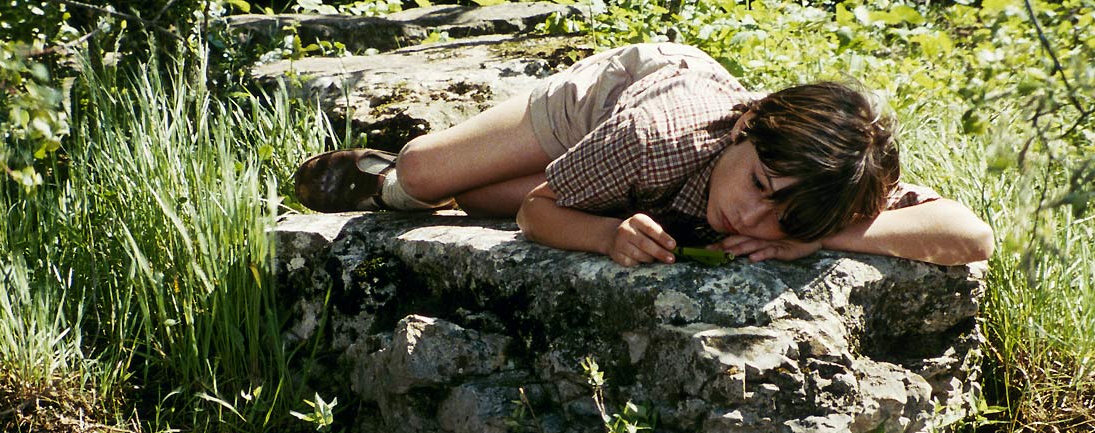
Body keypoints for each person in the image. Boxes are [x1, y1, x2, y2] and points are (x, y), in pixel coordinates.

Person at [293, 43, 994, 267]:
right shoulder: (655, 133)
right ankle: (382, 169)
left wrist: (816, 236)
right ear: (749, 124)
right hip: (614, 103)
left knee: (478, 203)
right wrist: (606, 234)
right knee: (433, 179)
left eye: (785, 215)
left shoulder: (828, 177)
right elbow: (539, 215)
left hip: (648, 178)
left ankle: (600, 192)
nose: (751, 215)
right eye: (758, 183)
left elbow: (972, 235)